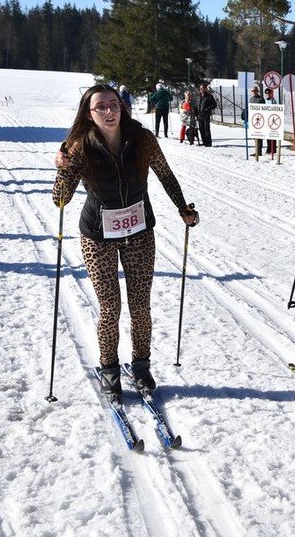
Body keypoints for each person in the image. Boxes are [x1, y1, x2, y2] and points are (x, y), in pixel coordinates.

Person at [52, 84, 199, 399]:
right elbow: (60, 200)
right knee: (110, 308)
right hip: (98, 237)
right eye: (100, 107)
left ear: (122, 106)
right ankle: (109, 368)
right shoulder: (80, 147)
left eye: (113, 104)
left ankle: (142, 366)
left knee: (140, 306)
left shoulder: (142, 139)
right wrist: (62, 170)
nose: (109, 111)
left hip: (139, 234)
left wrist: (183, 209)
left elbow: (165, 174)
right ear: (89, 114)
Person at [249, 86, 266, 158]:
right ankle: (256, 151)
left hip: (260, 118)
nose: (254, 92)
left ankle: (259, 151)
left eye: (255, 91)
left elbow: (264, 108)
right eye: (253, 91)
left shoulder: (261, 99)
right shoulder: (251, 99)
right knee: (254, 136)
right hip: (253, 119)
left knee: (259, 135)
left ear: (257, 91)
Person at [264, 87, 278, 156]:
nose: (267, 94)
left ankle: (273, 149)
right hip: (266, 120)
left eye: (269, 93)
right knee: (267, 135)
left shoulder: (273, 101)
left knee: (273, 135)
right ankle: (268, 149)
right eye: (266, 93)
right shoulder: (265, 101)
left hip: (272, 120)